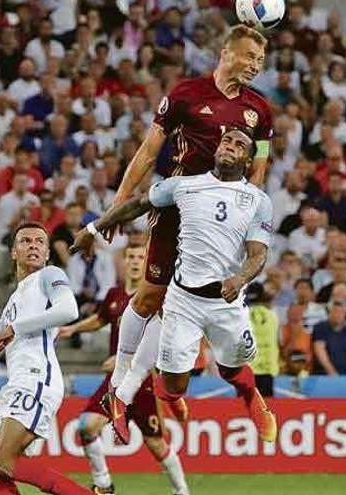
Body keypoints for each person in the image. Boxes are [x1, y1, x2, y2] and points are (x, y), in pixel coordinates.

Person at [94, 25, 275, 433]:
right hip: (177, 206)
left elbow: (259, 167)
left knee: (215, 312)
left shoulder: (259, 110)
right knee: (148, 297)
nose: (255, 65)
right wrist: (119, 203)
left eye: (260, 61)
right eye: (249, 56)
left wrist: (246, 215)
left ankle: (231, 392)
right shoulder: (185, 95)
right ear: (226, 52)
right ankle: (121, 388)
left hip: (223, 219)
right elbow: (147, 151)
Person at [72, 127, 276, 445]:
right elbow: (137, 204)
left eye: (239, 144)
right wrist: (95, 227)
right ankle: (173, 397)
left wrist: (240, 278)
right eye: (225, 140)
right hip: (183, 300)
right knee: (174, 387)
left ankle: (253, 398)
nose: (230, 145)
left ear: (248, 160)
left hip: (226, 302)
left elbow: (258, 255)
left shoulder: (257, 201)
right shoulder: (184, 186)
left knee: (233, 371)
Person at [0, 221, 89, 495]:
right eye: (25, 241)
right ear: (13, 252)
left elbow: (69, 310)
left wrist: (15, 328)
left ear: (46, 254)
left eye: (39, 242)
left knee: (4, 461)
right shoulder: (12, 303)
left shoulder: (49, 275)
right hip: (16, 382)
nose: (33, 245)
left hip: (38, 377)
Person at [58, 244, 189, 495]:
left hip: (143, 383)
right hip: (115, 381)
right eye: (131, 256)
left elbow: (161, 336)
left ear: (148, 261)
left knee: (156, 445)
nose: (136, 261)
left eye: (141, 257)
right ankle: (104, 483)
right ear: (124, 261)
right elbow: (100, 319)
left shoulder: (156, 298)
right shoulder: (114, 294)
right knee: (86, 426)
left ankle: (182, 491)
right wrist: (73, 329)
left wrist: (122, 357)